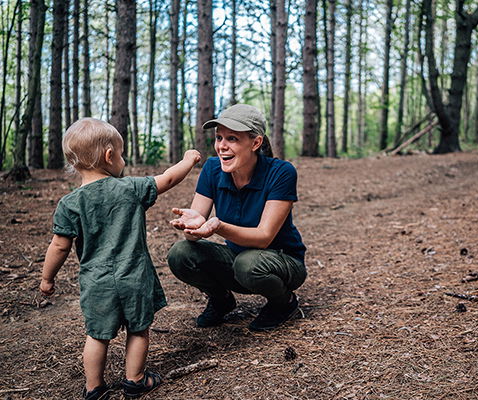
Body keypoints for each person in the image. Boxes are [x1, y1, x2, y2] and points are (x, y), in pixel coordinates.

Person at [39, 118, 201, 400]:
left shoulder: (69, 203)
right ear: (109, 156)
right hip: (134, 277)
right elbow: (169, 178)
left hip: (96, 282)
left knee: (97, 335)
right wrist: (188, 159)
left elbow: (59, 246)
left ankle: (94, 388)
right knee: (138, 330)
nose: (122, 159)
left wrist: (46, 278)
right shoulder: (131, 188)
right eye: (121, 153)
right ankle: (135, 380)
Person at [167, 104, 307, 332]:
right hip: (238, 257)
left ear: (256, 143)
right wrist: (191, 227)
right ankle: (221, 300)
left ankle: (283, 302)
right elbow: (193, 233)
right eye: (219, 137)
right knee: (180, 253)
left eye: (232, 139)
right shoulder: (212, 169)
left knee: (248, 264)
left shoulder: (281, 172)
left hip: (282, 261)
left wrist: (217, 226)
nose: (222, 146)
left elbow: (263, 238)